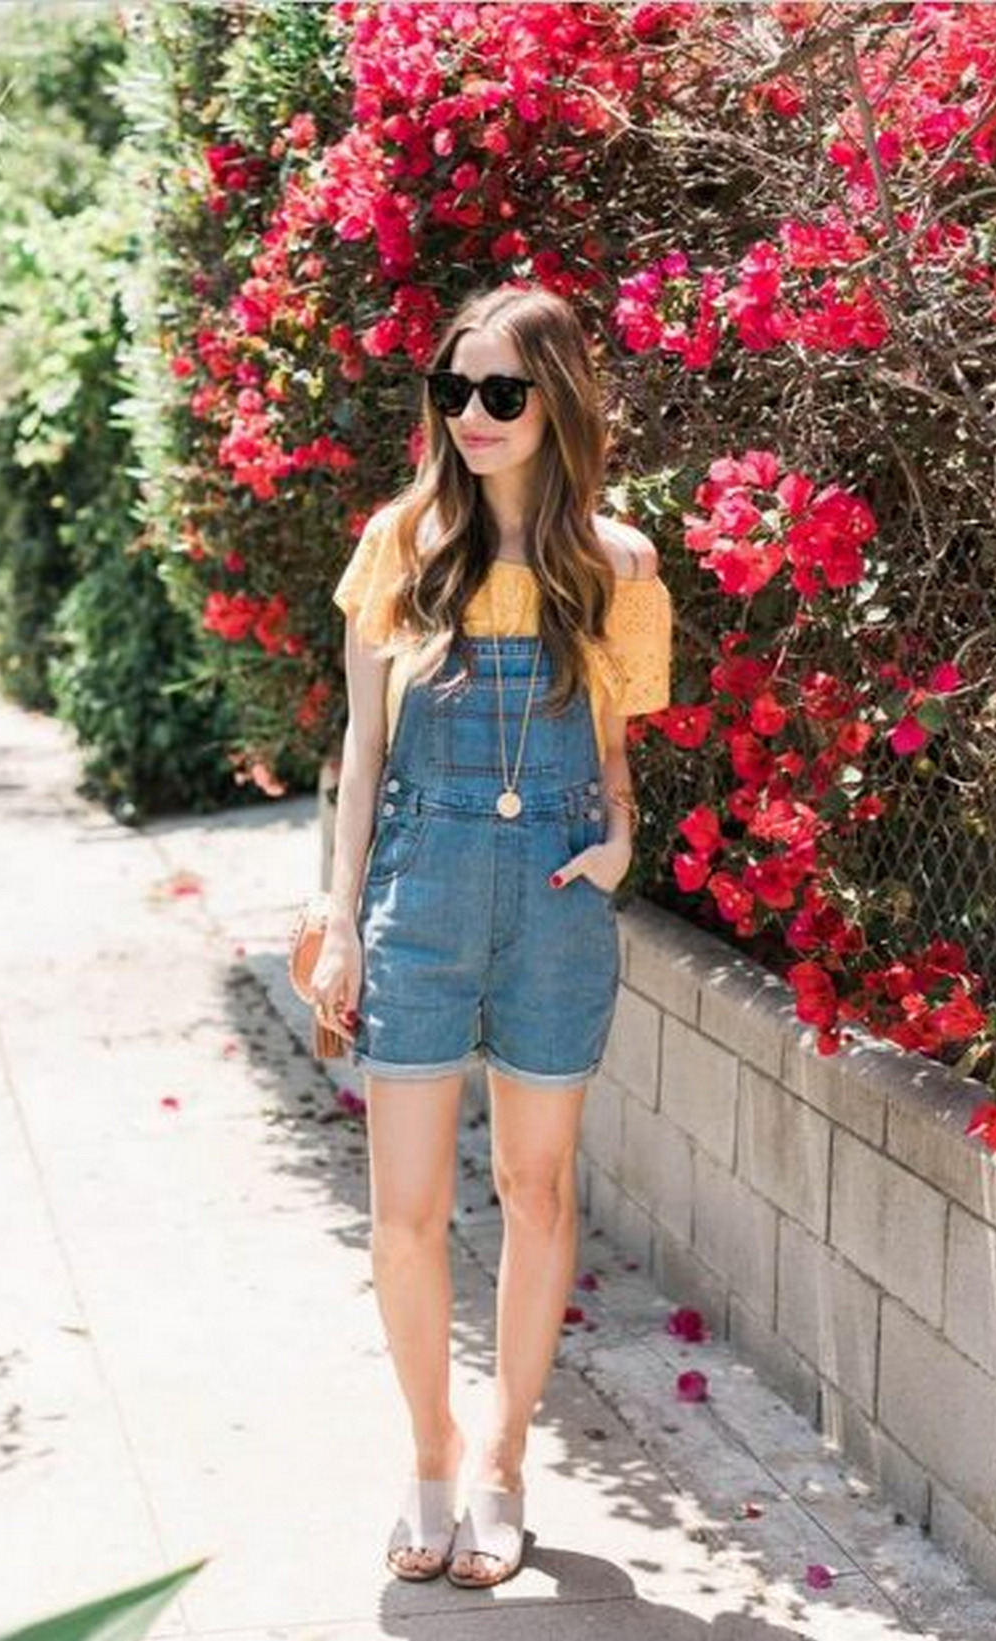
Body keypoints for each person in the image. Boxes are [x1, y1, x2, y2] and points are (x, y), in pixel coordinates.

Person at [310, 282, 672, 1588]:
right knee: (403, 1214)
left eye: (501, 393)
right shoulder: (399, 543)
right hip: (417, 893)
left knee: (537, 1190)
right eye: (451, 390)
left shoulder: (616, 564)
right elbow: (361, 746)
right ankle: (429, 1450)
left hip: (556, 897)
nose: (471, 414)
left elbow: (616, 741)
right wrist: (337, 913)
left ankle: (507, 1457)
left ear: (556, 402)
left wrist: (622, 839)